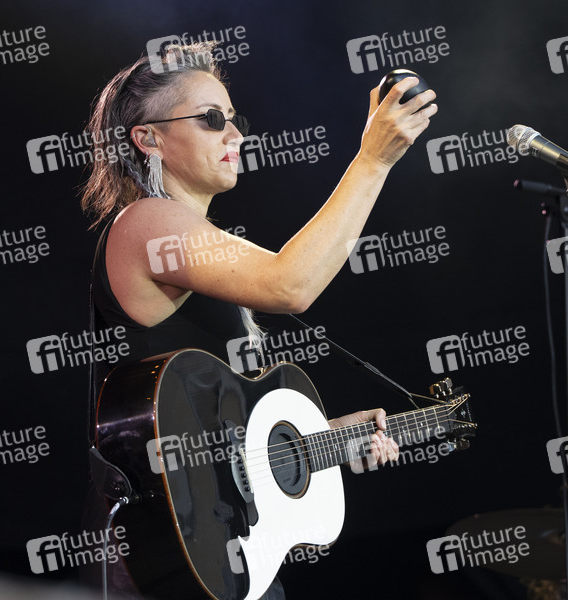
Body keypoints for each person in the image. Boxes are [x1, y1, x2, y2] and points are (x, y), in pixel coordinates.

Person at [79, 42, 436, 598]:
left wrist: (327, 440)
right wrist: (373, 160)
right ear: (148, 138)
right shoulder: (146, 223)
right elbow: (291, 285)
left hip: (222, 555)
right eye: (211, 119)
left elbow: (229, 444)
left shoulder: (198, 246)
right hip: (167, 558)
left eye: (234, 120)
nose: (235, 135)